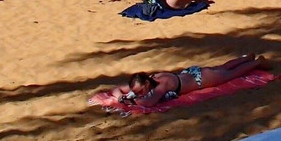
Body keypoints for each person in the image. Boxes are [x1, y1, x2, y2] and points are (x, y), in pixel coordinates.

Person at [111, 55, 268, 107]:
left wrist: (131, 100)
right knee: (222, 68)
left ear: (146, 84)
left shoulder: (161, 84)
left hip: (200, 79)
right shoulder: (149, 80)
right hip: (192, 73)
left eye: (140, 91)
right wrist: (120, 97)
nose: (139, 94)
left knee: (231, 74)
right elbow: (117, 89)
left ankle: (256, 62)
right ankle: (247, 57)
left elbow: (149, 102)